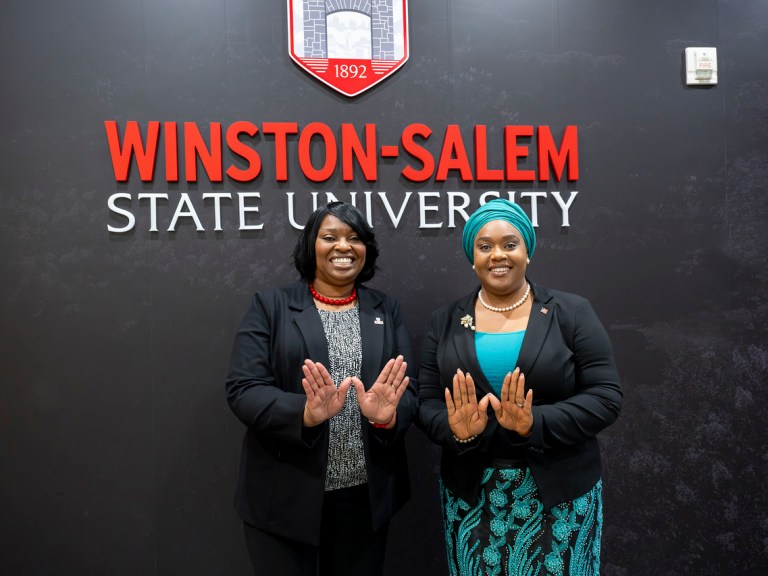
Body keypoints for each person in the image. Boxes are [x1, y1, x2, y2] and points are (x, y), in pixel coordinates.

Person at [417, 198, 622, 575]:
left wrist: (535, 423)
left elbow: (606, 396)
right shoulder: (444, 321)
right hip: (473, 499)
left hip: (560, 497)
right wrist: (454, 430)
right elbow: (426, 400)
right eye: (485, 246)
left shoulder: (571, 312)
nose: (498, 255)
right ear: (472, 256)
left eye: (510, 244)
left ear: (528, 252)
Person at [226, 201, 417, 576]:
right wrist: (304, 413)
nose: (343, 247)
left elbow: (409, 392)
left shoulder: (386, 309)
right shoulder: (272, 306)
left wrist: (387, 417)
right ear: (310, 245)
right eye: (330, 237)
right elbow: (243, 389)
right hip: (285, 496)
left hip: (364, 500)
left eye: (354, 238)